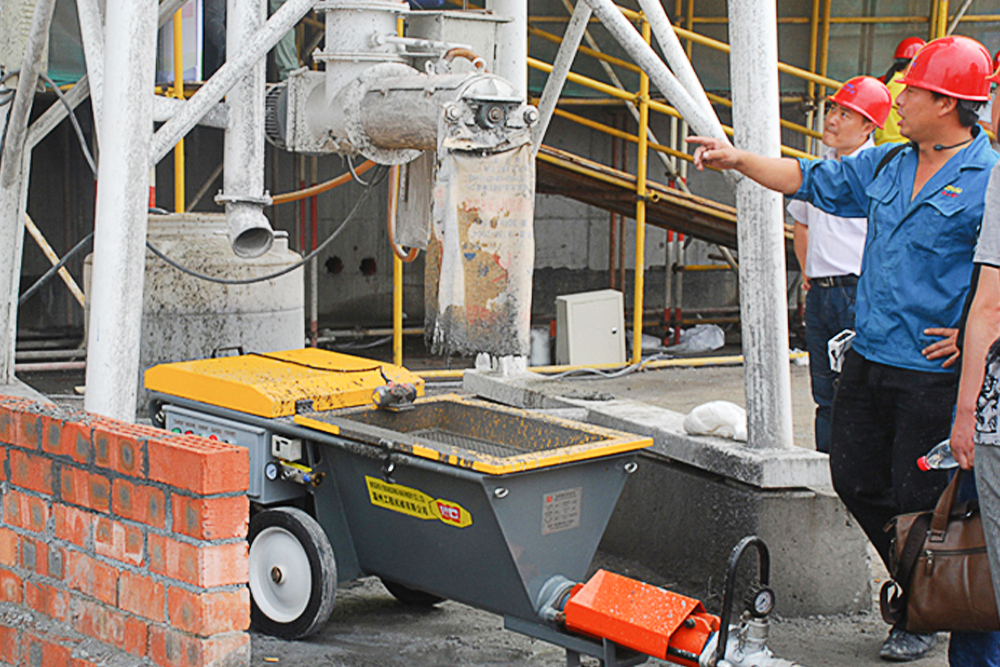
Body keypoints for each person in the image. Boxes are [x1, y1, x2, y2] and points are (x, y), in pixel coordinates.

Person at [689, 35, 998, 662]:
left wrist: (971, 333)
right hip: (872, 354)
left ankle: (920, 613)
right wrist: (738, 160)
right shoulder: (886, 164)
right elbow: (807, 178)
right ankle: (922, 588)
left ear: (946, 104)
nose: (899, 100)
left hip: (932, 374)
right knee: (853, 475)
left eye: (911, 91)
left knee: (921, 502)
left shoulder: (989, 178)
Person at [789, 76, 890, 454]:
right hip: (822, 293)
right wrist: (810, 273)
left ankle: (856, 473)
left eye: (845, 114)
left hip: (858, 292)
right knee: (824, 392)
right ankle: (826, 467)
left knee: (857, 393)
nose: (831, 119)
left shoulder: (881, 171)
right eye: (833, 109)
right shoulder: (820, 167)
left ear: (868, 126)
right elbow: (801, 222)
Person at [875, 37, 926, 145]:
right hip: (900, 147)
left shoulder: (888, 81)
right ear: (912, 64)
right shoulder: (904, 86)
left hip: (882, 145)